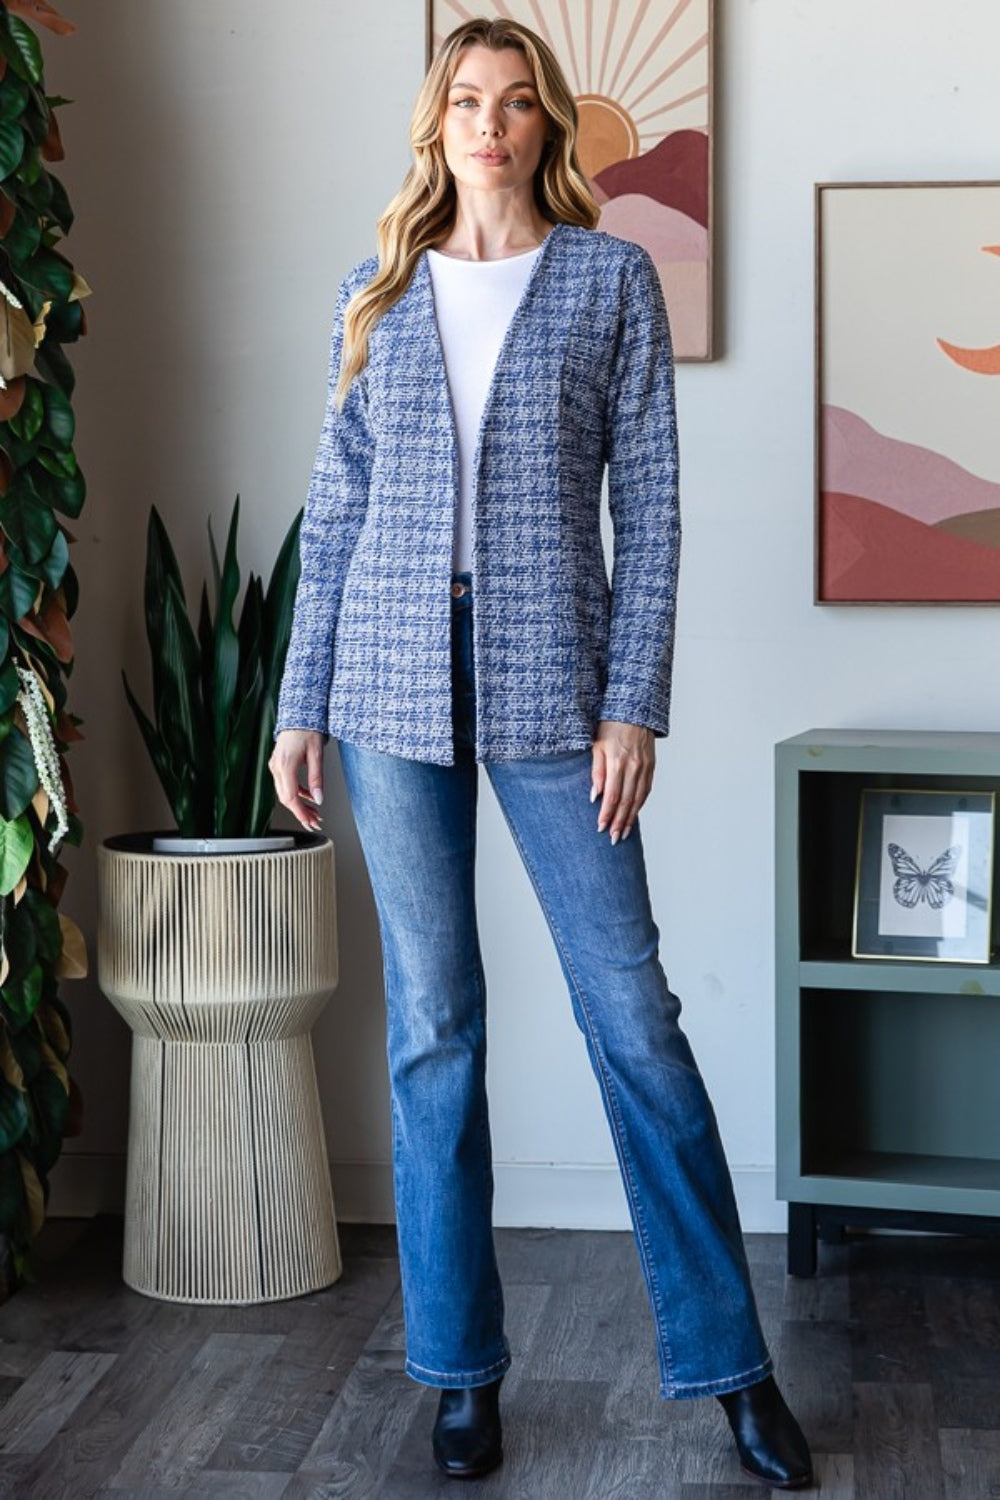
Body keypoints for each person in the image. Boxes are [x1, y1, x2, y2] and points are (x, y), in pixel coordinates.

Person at [270, 15, 813, 1492]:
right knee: (433, 1032)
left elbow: (656, 509)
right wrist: (294, 703)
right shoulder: (374, 293)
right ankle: (460, 1372)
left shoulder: (609, 281)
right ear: (434, 123)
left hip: (555, 690)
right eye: (466, 101)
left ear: (548, 124)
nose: (490, 125)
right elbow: (335, 521)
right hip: (385, 686)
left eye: (515, 103)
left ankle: (732, 1369)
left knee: (631, 1016)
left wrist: (635, 704)